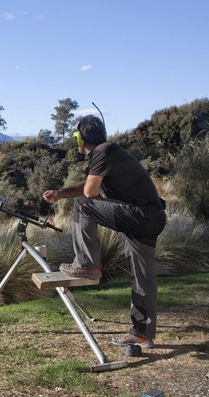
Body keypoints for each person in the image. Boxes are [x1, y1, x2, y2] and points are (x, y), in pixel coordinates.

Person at [42, 115, 166, 349]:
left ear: (80, 137)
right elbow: (88, 185)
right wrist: (60, 193)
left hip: (142, 215)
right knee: (143, 278)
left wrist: (76, 196)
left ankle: (87, 265)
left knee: (82, 204)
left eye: (76, 136)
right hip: (151, 216)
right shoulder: (107, 152)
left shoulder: (103, 150)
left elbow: (88, 193)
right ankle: (142, 333)